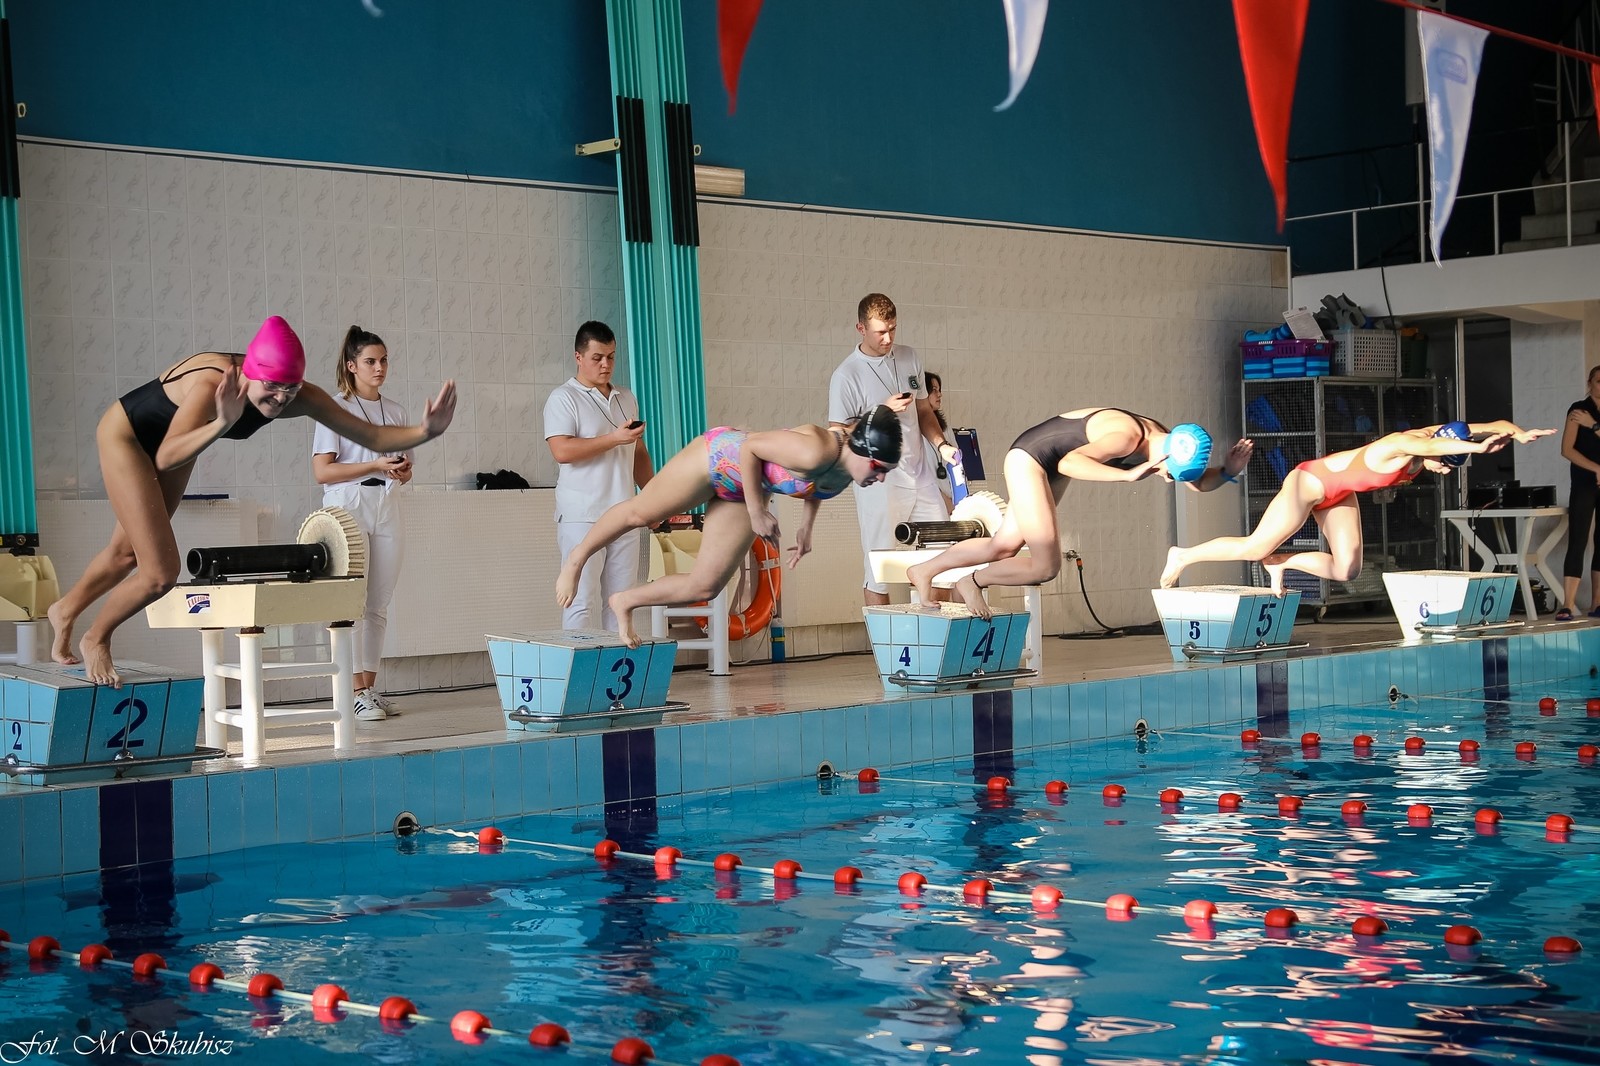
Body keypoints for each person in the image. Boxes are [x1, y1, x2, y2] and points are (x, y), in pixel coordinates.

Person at [47, 316, 457, 688]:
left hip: (181, 442)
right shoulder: (212, 385)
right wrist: (223, 421)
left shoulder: (299, 394)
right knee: (160, 573)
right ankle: (96, 637)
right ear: (250, 374)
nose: (279, 399)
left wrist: (425, 431)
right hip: (129, 437)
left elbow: (372, 437)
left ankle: (65, 611)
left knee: (125, 555)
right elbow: (167, 456)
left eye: (289, 390)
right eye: (271, 387)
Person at [554, 407, 903, 647]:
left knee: (705, 585)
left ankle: (625, 600)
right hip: (717, 459)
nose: (881, 477)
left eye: (886, 470)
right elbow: (751, 447)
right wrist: (756, 512)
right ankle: (577, 558)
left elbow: (818, 487)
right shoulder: (816, 449)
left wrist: (805, 529)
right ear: (861, 449)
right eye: (878, 467)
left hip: (745, 490)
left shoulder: (849, 471)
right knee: (641, 514)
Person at [906, 408, 1250, 617]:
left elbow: (1196, 483)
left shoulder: (1164, 440)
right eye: (1169, 472)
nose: (1166, 478)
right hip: (1031, 461)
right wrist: (1126, 474)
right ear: (1168, 456)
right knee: (1046, 566)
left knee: (1003, 545)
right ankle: (972, 581)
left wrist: (1228, 471)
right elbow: (1070, 462)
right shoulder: (1127, 437)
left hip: (1045, 465)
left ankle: (924, 570)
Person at [1160, 420, 1555, 596]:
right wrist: (1476, 449)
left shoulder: (1436, 439)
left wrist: (1520, 434)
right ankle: (1183, 556)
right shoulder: (1402, 443)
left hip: (1338, 493)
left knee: (1346, 570)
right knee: (1253, 547)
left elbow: (1494, 424)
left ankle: (1281, 563)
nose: (1442, 469)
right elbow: (1433, 447)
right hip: (1308, 483)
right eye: (1444, 463)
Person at [312, 326, 413, 722]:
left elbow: (405, 467)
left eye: (384, 360)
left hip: (386, 502)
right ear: (352, 366)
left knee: (379, 602)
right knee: (351, 600)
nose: (379, 367)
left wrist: (401, 471)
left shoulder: (396, 411)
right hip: (348, 503)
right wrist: (373, 464)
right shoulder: (335, 409)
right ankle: (352, 690)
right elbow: (322, 471)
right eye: (370, 361)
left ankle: (368, 689)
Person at [829, 294, 955, 605]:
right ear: (861, 328)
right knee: (879, 568)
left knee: (942, 562)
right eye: (880, 332)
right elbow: (837, 434)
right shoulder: (847, 374)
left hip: (920, 476)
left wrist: (941, 445)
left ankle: (934, 631)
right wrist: (881, 411)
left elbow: (924, 411)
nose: (888, 339)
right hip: (879, 481)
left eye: (893, 329)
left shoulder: (909, 356)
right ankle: (882, 639)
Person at [543, 321, 653, 631]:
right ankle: (578, 663)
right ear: (578, 357)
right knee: (580, 600)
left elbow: (638, 453)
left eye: (611, 357)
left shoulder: (625, 397)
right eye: (597, 358)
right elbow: (562, 450)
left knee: (620, 602)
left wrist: (653, 499)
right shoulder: (564, 398)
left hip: (624, 512)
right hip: (583, 515)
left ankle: (617, 663)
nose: (606, 364)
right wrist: (614, 438)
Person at [1558, 366, 1600, 620]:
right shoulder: (1579, 409)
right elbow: (1566, 449)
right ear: (1590, 383)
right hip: (1584, 482)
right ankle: (1568, 603)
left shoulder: (1589, 418)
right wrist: (1596, 468)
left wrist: (1593, 425)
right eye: (1599, 381)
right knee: (1578, 539)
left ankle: (1597, 603)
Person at [923, 371, 954, 508]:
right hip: (931, 502)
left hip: (952, 498)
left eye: (939, 390)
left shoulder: (945, 429)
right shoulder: (913, 430)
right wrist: (944, 500)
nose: (939, 394)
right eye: (934, 390)